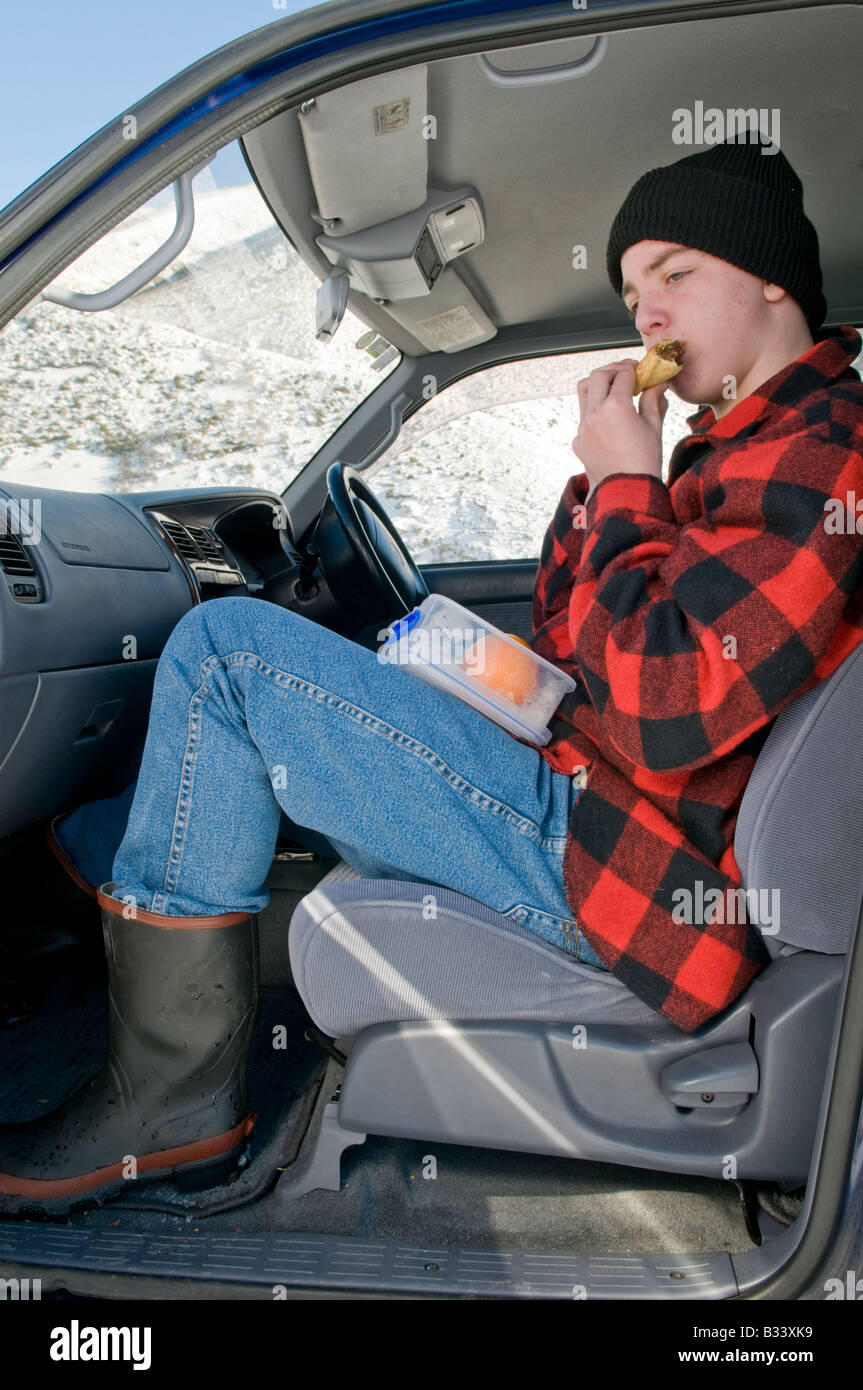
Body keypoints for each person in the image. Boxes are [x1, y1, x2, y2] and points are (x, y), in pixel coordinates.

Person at [2, 131, 862, 1211]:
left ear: (771, 276)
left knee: (227, 654)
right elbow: (577, 629)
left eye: (674, 273)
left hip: (637, 871)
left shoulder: (824, 454)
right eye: (632, 287)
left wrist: (628, 488)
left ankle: (166, 1094)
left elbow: (665, 711)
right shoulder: (732, 444)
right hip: (588, 790)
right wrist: (598, 490)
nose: (643, 312)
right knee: (413, 648)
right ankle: (101, 874)